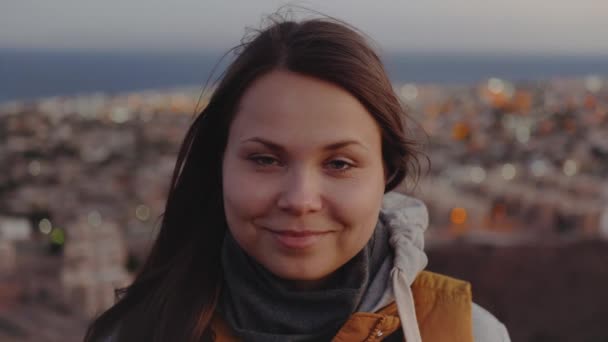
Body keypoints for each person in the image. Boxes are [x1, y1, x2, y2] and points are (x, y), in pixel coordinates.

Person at [85, 16, 510, 342]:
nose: (301, 199)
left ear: (387, 174)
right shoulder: (137, 332)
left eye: (339, 164)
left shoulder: (465, 333)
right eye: (266, 160)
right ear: (220, 166)